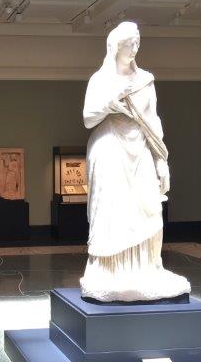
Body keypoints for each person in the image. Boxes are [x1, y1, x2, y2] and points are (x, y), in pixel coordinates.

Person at [79, 21, 190, 302]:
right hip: (109, 147)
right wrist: (110, 103)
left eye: (137, 42)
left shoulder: (145, 80)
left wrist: (161, 160)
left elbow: (153, 121)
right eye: (130, 43)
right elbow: (88, 118)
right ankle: (110, 271)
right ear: (116, 46)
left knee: (148, 206)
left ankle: (145, 269)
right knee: (112, 209)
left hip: (140, 146)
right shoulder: (100, 80)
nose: (134, 48)